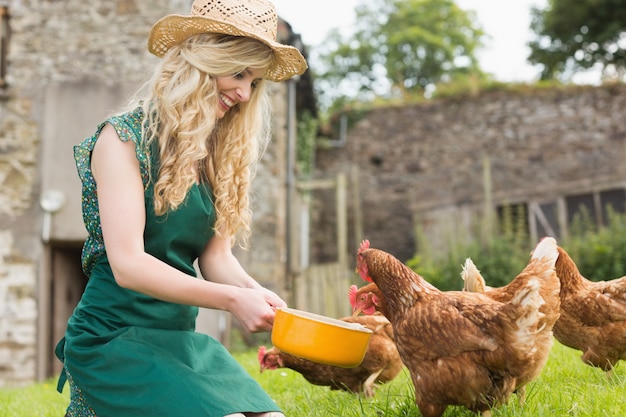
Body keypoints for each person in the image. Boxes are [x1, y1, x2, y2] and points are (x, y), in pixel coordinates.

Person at [54, 0, 307, 416]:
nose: (245, 94)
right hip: (112, 337)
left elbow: (216, 257)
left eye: (255, 82)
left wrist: (256, 294)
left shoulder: (217, 155)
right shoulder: (122, 141)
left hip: (177, 336)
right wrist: (230, 301)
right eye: (239, 72)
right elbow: (128, 265)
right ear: (203, 61)